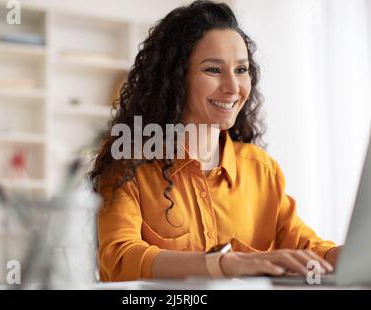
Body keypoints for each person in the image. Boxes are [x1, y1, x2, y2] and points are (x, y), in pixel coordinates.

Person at [89, 0, 341, 282]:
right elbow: (120, 259)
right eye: (213, 70)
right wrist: (223, 264)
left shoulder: (261, 169)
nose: (233, 88)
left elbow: (307, 249)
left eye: (241, 70)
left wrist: (352, 255)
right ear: (176, 79)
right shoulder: (128, 164)